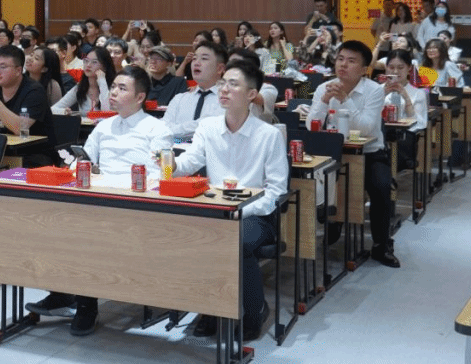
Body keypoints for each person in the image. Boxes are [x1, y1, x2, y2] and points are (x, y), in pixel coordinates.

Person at [24, 66, 172, 335]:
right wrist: (75, 167)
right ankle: (62, 293)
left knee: (86, 233)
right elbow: (83, 160)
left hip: (135, 203)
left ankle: (86, 306)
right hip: (98, 197)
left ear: (140, 97)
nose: (113, 92)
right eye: (113, 86)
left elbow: (156, 176)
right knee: (53, 223)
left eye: (122, 88)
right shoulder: (104, 126)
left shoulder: (157, 129)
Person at [172, 60, 289, 341]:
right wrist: (168, 165)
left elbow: (276, 191)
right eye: (223, 83)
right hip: (215, 209)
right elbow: (190, 161)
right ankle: (210, 309)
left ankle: (254, 310)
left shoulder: (269, 135)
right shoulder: (208, 126)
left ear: (251, 94)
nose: (224, 89)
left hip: (256, 216)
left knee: (237, 242)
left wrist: (242, 210)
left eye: (233, 84)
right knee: (187, 236)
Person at [306, 41, 397, 267]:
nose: (343, 65)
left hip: (370, 152)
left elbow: (366, 128)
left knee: (381, 188)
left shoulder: (374, 90)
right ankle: (334, 221)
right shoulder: (324, 88)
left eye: (351, 61)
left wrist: (345, 100)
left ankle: (381, 245)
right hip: (333, 153)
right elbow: (311, 126)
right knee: (315, 186)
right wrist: (324, 101)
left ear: (364, 69)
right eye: (340, 59)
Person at [162, 41, 226, 139]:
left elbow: (207, 126)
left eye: (204, 59)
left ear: (220, 68)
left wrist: (174, 130)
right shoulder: (179, 99)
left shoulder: (226, 99)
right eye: (194, 58)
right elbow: (163, 129)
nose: (196, 63)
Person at [383, 50, 428, 171]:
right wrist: (382, 95)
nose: (395, 72)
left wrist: (406, 97)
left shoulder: (418, 93)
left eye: (400, 67)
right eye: (391, 67)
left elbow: (420, 124)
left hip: (404, 139)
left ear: (409, 68)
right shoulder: (378, 90)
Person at [52, 47, 114, 115]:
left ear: (105, 67)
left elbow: (107, 112)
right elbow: (52, 109)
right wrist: (64, 111)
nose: (88, 65)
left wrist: (102, 81)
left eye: (94, 62)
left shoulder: (114, 88)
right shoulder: (80, 88)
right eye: (86, 61)